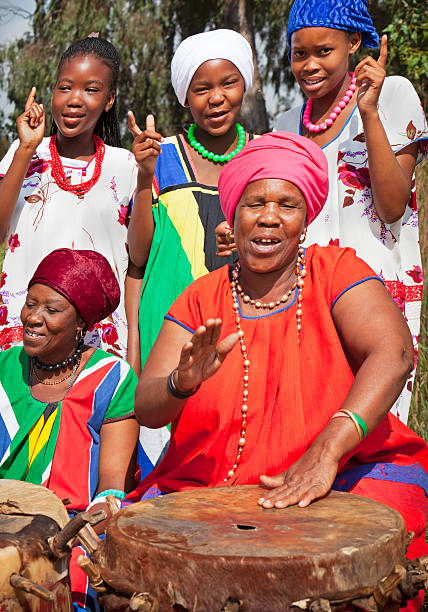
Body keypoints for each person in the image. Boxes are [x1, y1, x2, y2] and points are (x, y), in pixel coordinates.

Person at [129, 133, 428, 611]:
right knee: (117, 557)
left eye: (286, 205)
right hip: (213, 485)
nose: (269, 216)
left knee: (372, 549)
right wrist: (179, 383)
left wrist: (326, 452)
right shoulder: (200, 298)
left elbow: (394, 354)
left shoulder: (337, 271)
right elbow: (145, 406)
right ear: (233, 213)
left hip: (346, 470)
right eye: (255, 203)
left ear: (305, 219)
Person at [273, 0, 428, 423]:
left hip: (373, 297)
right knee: (306, 427)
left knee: (370, 432)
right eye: (299, 53)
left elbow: (393, 206)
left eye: (324, 51)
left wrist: (369, 112)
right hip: (304, 301)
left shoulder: (392, 95)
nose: (309, 65)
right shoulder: (285, 125)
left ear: (353, 43)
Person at [126, 28, 256, 477]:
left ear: (246, 86)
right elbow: (138, 255)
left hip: (239, 321)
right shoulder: (158, 157)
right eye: (201, 89)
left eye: (228, 83)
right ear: (185, 97)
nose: (216, 98)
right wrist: (144, 179)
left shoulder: (261, 158)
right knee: (166, 454)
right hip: (168, 320)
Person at [0, 36, 138, 359]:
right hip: (24, 338)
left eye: (90, 90)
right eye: (65, 87)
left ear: (109, 99)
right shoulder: (23, 156)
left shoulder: (127, 167)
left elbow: (137, 266)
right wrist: (25, 150)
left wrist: (134, 349)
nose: (74, 99)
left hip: (100, 346)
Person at [0, 248, 139, 514]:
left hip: (75, 529)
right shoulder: (4, 368)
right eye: (30, 303)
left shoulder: (111, 379)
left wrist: (66, 538)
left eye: (51, 310)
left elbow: (112, 495)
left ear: (80, 324)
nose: (33, 318)